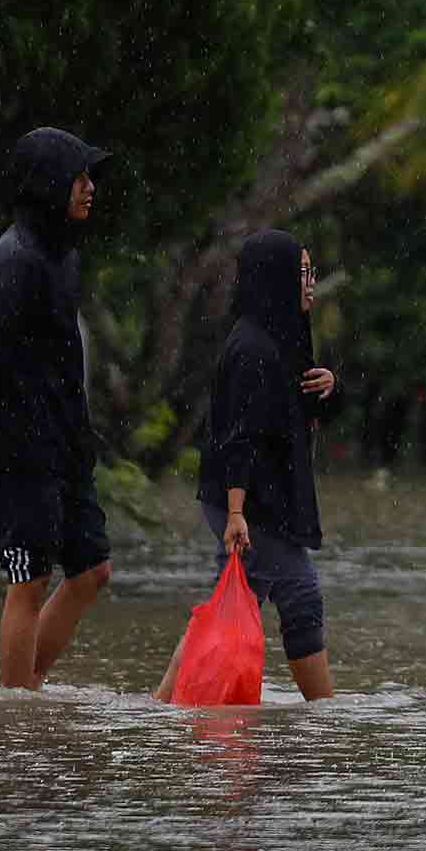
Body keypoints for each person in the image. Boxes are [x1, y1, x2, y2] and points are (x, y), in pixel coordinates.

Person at [0, 126, 116, 689]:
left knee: (92, 571)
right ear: (49, 184)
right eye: (79, 177)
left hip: (64, 442)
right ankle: (16, 718)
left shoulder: (63, 255)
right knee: (30, 579)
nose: (90, 189)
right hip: (18, 448)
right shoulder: (11, 262)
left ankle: (25, 689)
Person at [155, 230, 339, 702]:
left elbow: (288, 421)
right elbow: (241, 437)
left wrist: (325, 386)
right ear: (276, 277)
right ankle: (323, 716)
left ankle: (164, 706)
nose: (310, 283)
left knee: (246, 603)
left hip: (262, 499)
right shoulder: (253, 348)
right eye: (303, 273)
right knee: (295, 596)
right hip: (248, 501)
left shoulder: (281, 337)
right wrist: (236, 514)